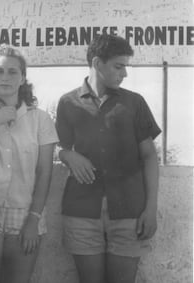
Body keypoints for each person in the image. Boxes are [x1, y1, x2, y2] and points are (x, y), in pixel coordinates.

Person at [55, 34, 161, 283]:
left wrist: (151, 209)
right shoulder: (67, 102)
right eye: (118, 66)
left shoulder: (134, 103)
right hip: (81, 210)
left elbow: (149, 157)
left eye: (125, 66)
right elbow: (57, 147)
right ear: (96, 63)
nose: (124, 73)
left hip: (129, 211)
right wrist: (67, 154)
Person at [0, 45, 58, 283]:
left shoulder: (40, 119)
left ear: (23, 78)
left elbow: (45, 172)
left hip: (26, 212)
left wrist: (33, 220)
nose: (5, 77)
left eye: (12, 72)